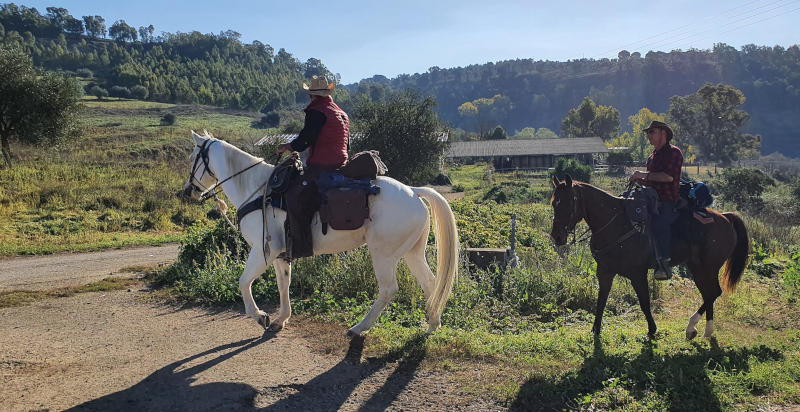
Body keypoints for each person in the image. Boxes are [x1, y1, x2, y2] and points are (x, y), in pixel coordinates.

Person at [276, 75, 350, 259]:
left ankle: (300, 249)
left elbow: (306, 139)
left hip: (322, 166)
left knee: (294, 196)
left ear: (312, 95)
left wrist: (288, 147)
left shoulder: (317, 111)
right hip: (341, 164)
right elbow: (346, 144)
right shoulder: (341, 113)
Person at [629, 121, 683, 280]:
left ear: (663, 133)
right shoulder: (652, 157)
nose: (648, 136)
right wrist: (639, 181)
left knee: (659, 224)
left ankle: (663, 264)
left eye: (652, 132)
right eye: (648, 133)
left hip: (667, 202)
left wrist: (642, 175)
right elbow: (651, 180)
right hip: (650, 200)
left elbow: (668, 177)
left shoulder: (674, 153)